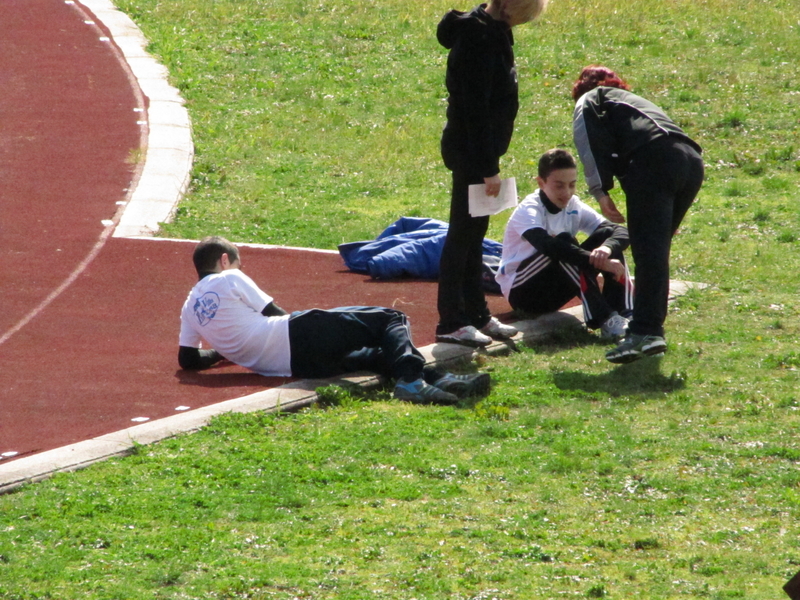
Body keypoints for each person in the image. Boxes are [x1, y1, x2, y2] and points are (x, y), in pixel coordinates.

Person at [178, 236, 490, 404]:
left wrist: (223, 350)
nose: (239, 268)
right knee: (391, 318)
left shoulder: (190, 306)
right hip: (295, 334)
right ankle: (411, 382)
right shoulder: (230, 277)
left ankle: (440, 380)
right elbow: (276, 314)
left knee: (378, 355)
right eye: (237, 263)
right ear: (224, 261)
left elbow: (188, 359)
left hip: (293, 366)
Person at [571, 65, 704, 363]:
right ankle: (651, 330)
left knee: (648, 254)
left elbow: (587, 144)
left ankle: (643, 332)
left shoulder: (591, 99)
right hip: (690, 161)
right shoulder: (632, 103)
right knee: (654, 253)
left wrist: (600, 192)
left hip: (653, 162)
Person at [435, 0, 548, 348]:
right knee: (462, 236)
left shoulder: (490, 29)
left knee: (474, 234)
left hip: (479, 151)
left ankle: (477, 314)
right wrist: (489, 169)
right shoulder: (479, 39)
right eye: (522, 17)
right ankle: (451, 321)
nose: (520, 24)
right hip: (472, 152)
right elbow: (475, 110)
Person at [496, 149, 634, 338]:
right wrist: (597, 261)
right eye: (559, 186)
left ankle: (624, 313)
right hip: (524, 293)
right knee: (563, 243)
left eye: (572, 185)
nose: (567, 193)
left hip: (556, 287)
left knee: (607, 239)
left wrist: (605, 249)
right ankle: (605, 318)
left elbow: (619, 231)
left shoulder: (573, 204)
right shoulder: (529, 210)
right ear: (541, 182)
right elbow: (548, 246)